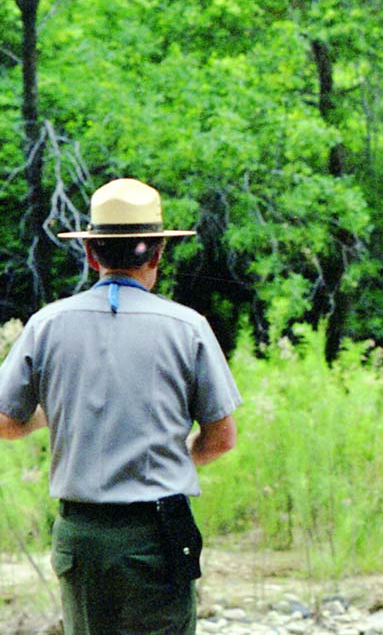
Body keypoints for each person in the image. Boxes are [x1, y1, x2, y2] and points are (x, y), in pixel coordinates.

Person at [0, 177, 241, 634]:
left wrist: (49, 417)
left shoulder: (47, 324)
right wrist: (167, 458)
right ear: (158, 253)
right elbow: (221, 438)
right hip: (156, 532)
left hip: (81, 535)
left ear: (91, 254)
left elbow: (5, 421)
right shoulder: (186, 328)